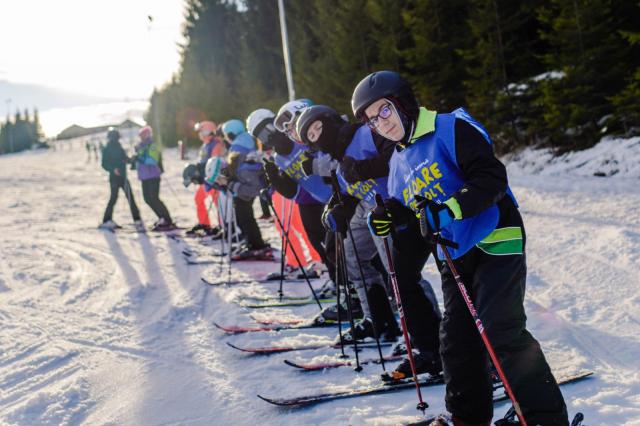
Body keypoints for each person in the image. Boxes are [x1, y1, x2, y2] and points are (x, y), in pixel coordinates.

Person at [352, 70, 569, 425]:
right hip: (453, 255)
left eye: (385, 110)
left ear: (403, 103)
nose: (381, 123)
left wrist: (450, 208)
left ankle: (544, 419)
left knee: (500, 329)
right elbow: (411, 208)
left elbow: (492, 177)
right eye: (372, 120)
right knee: (455, 340)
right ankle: (466, 418)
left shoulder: (451, 128)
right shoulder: (396, 162)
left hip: (495, 236)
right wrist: (389, 216)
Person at [220, 119, 271, 260]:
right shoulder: (248, 139)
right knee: (245, 216)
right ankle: (254, 242)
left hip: (245, 186)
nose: (226, 138)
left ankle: (256, 245)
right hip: (245, 184)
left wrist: (230, 182)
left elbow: (234, 167)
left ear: (231, 134)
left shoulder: (238, 145)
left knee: (244, 217)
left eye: (226, 135)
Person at [185, 120, 225, 236]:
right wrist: (196, 171)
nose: (200, 134)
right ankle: (204, 223)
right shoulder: (205, 144)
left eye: (201, 131)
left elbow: (214, 161)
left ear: (208, 131)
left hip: (213, 179)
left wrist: (201, 167)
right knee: (198, 199)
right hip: (205, 179)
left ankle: (223, 226)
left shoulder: (216, 144)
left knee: (219, 203)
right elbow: (202, 160)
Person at [99, 128, 143, 231]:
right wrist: (113, 169)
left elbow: (124, 158)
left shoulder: (119, 147)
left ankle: (137, 219)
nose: (116, 139)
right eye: (115, 137)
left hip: (123, 177)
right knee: (113, 198)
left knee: (130, 197)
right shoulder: (107, 149)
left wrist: (132, 159)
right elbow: (104, 164)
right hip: (114, 178)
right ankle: (106, 220)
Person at [133, 125, 174, 231]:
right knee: (147, 199)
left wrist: (140, 159)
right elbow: (140, 160)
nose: (141, 137)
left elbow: (153, 160)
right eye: (140, 135)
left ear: (147, 134)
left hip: (153, 176)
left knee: (154, 198)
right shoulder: (140, 146)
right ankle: (161, 218)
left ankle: (167, 219)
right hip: (144, 176)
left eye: (143, 134)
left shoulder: (152, 145)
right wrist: (134, 162)